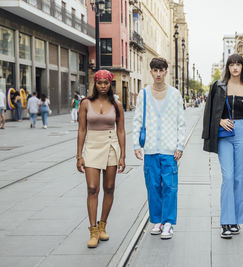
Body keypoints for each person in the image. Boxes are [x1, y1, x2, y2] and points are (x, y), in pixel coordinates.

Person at [202, 54, 243, 239]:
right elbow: (210, 111)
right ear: (227, 67)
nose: (235, 67)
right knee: (227, 177)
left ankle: (235, 219)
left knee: (239, 178)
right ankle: (225, 221)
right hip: (225, 135)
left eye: (238, 64)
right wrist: (220, 121)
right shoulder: (218, 87)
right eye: (232, 64)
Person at [132, 57, 186, 240]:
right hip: (150, 148)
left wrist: (180, 146)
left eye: (161, 70)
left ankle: (169, 223)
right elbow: (138, 120)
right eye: (155, 70)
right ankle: (157, 221)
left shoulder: (175, 94)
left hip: (170, 150)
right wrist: (136, 145)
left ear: (166, 72)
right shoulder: (144, 94)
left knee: (170, 186)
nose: (158, 74)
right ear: (151, 72)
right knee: (153, 186)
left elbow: (181, 122)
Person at [76, 69, 126, 248]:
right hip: (92, 146)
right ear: (95, 84)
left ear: (110, 84)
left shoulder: (117, 105)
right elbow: (82, 129)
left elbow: (121, 130)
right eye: (100, 83)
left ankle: (102, 225)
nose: (103, 86)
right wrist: (79, 155)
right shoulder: (85, 104)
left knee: (110, 187)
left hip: (112, 144)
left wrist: (123, 156)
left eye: (106, 83)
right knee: (92, 188)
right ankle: (92, 230)